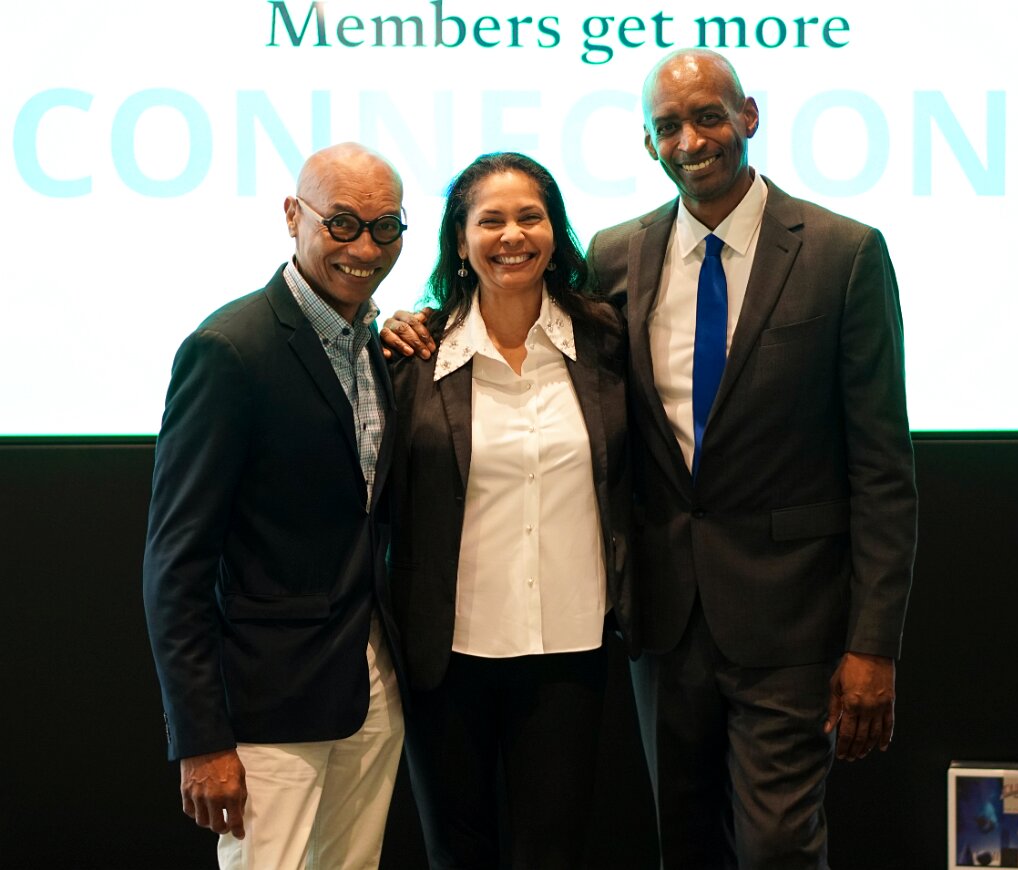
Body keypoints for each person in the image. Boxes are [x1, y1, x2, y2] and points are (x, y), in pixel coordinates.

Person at [383, 51, 917, 869]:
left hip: (790, 618)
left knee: (777, 845)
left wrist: (873, 644)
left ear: (749, 115)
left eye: (708, 116)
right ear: (648, 143)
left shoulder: (843, 253)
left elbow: (882, 470)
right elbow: (518, 316)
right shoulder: (618, 256)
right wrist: (412, 320)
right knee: (685, 844)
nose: (691, 140)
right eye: (669, 126)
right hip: (663, 623)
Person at [142, 142, 407, 870]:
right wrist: (201, 737)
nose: (365, 247)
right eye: (343, 223)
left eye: (385, 227)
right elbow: (175, 564)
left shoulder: (373, 343)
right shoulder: (230, 349)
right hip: (267, 703)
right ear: (294, 216)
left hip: (372, 687)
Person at [387, 152, 635, 869]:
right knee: (457, 852)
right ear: (460, 242)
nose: (512, 235)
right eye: (489, 221)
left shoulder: (606, 342)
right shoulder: (415, 355)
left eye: (531, 216)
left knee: (551, 853)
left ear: (555, 231)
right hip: (448, 653)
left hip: (568, 648)